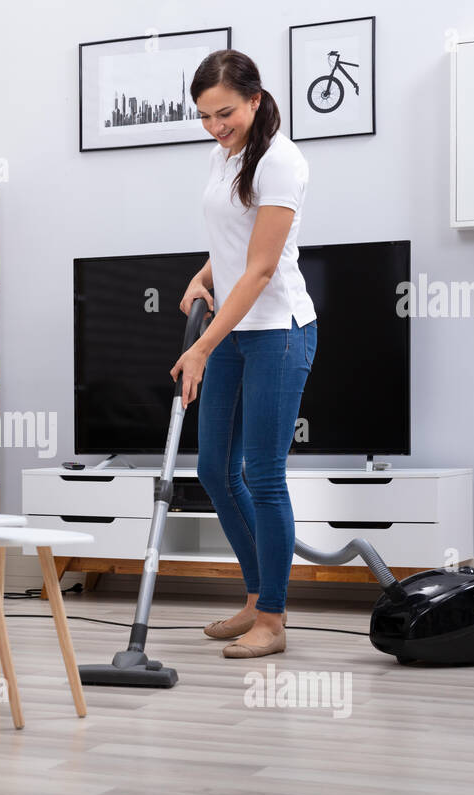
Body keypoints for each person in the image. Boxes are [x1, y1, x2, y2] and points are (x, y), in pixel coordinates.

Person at [171, 50, 318, 659]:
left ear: (255, 99)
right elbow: (233, 242)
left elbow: (260, 269)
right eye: (204, 116)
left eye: (224, 113)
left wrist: (202, 346)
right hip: (231, 325)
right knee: (213, 471)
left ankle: (274, 619)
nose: (215, 126)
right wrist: (202, 275)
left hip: (277, 329)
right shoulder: (221, 154)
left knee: (262, 473)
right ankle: (257, 598)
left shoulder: (282, 162)